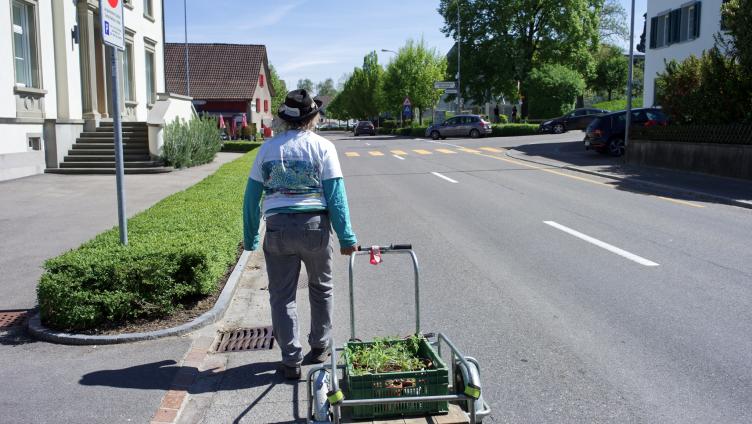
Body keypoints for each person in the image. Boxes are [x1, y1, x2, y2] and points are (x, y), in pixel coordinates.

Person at [243, 89, 358, 379]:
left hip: (278, 227)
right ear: (313, 117)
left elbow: (251, 196)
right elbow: (336, 196)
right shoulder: (323, 147)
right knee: (321, 287)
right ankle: (319, 346)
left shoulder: (267, 149)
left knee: (282, 295)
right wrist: (346, 238)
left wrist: (250, 237)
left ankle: (290, 359)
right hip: (314, 226)